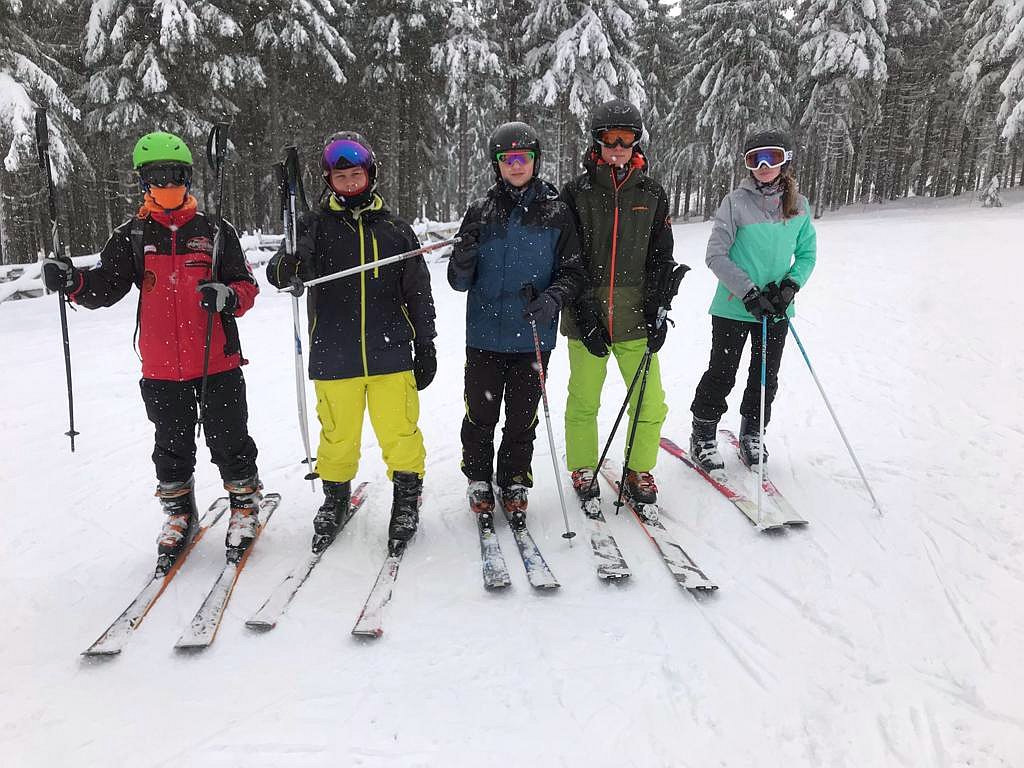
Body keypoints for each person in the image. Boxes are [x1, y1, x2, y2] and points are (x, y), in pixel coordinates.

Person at [41, 131, 262, 562]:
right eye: (157, 177)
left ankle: (243, 503)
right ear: (143, 181)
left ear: (188, 177)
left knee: (229, 437)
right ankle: (178, 512)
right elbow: (105, 286)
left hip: (216, 360)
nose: (167, 184)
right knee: (171, 446)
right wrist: (73, 282)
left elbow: (246, 287)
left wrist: (228, 295)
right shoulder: (132, 235)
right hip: (161, 366)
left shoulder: (215, 231)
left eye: (174, 175)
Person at [266, 131, 436, 553]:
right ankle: (335, 497)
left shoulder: (396, 230)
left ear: (370, 175)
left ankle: (407, 498)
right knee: (337, 436)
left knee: (399, 432)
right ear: (329, 181)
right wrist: (286, 266)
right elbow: (282, 270)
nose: (349, 183)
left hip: (390, 352)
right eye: (340, 177)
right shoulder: (313, 227)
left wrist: (426, 344)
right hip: (333, 353)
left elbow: (418, 292)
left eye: (355, 175)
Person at [448, 122, 585, 529]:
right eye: (507, 159)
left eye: (523, 157)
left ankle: (514, 480)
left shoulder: (557, 212)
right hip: (485, 335)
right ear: (497, 165)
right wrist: (464, 256)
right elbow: (458, 281)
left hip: (532, 337)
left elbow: (573, 272)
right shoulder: (480, 211)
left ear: (535, 161)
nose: (516, 165)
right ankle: (478, 478)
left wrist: (552, 299)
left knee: (523, 418)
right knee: (480, 415)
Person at [560, 99, 678, 514]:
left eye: (625, 139)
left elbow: (661, 257)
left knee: (650, 402)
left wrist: (659, 305)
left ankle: (638, 468)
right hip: (586, 315)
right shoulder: (576, 193)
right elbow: (567, 257)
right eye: (609, 139)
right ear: (597, 141)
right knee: (583, 399)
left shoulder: (652, 193)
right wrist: (582, 310)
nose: (617, 148)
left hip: (635, 317)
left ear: (636, 142)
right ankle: (583, 466)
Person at [688, 129, 817, 471]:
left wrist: (790, 286)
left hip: (776, 308)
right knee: (722, 372)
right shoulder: (735, 202)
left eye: (771, 157)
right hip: (734, 306)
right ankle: (703, 433)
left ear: (785, 161)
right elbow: (715, 255)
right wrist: (748, 292)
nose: (763, 166)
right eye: (754, 159)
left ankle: (753, 433)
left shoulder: (799, 206)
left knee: (765, 376)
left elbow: (807, 254)